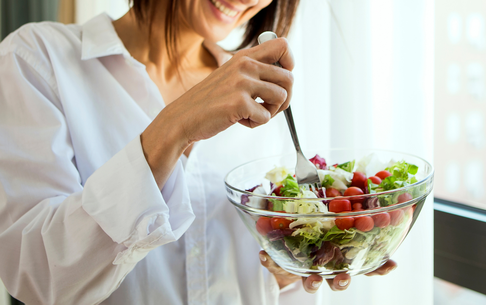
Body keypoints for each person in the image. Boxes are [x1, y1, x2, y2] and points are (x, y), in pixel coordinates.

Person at [0, 0, 396, 304]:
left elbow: (258, 282)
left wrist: (289, 266)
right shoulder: (36, 59)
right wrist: (174, 127)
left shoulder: (258, 92)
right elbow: (37, 275)